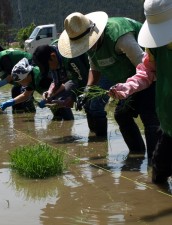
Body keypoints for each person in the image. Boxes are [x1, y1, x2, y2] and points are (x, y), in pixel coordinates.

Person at [57, 11, 160, 158]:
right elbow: (95, 68)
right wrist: (87, 91)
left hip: (150, 75)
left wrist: (129, 89)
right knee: (121, 114)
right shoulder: (89, 45)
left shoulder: (120, 37)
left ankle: (154, 166)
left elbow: (146, 70)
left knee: (149, 118)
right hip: (128, 79)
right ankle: (137, 155)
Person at [108, 0, 172, 184]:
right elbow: (146, 72)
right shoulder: (154, 45)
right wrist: (127, 88)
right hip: (168, 123)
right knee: (158, 174)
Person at [32, 44, 89, 120]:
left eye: (49, 67)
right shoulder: (52, 55)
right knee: (59, 97)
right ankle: (68, 124)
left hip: (93, 72)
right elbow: (57, 82)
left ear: (53, 56)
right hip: (76, 77)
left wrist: (72, 98)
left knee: (91, 106)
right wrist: (49, 92)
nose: (50, 69)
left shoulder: (69, 57)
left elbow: (83, 80)